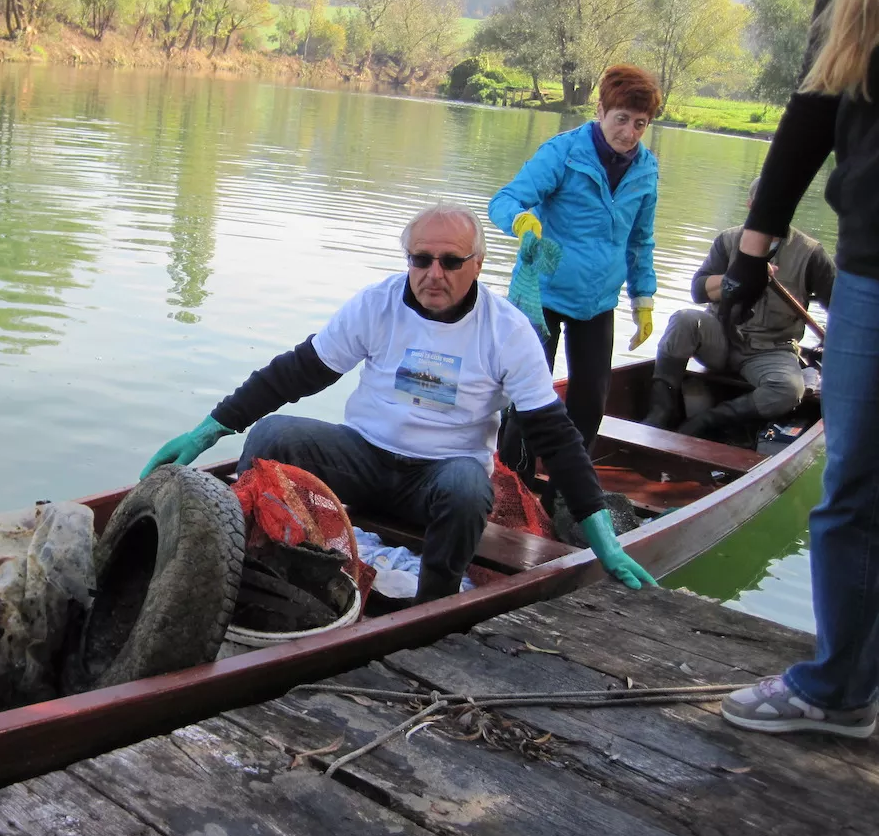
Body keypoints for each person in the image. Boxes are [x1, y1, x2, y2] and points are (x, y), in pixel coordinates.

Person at [140, 202, 655, 602]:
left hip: (438, 479)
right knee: (274, 437)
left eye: (451, 261)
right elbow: (295, 373)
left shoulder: (508, 332)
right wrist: (208, 430)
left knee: (467, 486)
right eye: (422, 259)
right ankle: (256, 565)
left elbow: (556, 438)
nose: (435, 273)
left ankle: (433, 604)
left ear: (477, 265)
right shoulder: (377, 304)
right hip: (363, 458)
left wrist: (603, 540)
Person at [718, 0, 879, 739]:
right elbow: (817, 100)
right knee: (854, 489)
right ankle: (840, 689)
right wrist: (752, 249)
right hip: (876, 264)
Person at [489, 65, 663, 479]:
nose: (629, 133)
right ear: (601, 110)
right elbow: (505, 199)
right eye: (621, 119)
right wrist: (521, 222)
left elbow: (641, 241)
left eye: (640, 124)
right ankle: (513, 485)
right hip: (540, 296)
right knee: (527, 397)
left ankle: (567, 490)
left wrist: (644, 301)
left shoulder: (646, 169)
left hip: (598, 303)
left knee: (590, 402)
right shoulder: (563, 153)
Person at [642, 177, 835, 437]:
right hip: (721, 338)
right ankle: (661, 412)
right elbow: (699, 290)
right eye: (763, 206)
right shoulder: (728, 240)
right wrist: (738, 277)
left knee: (788, 391)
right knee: (684, 319)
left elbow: (841, 306)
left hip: (771, 350)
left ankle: (707, 422)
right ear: (749, 205)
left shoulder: (811, 253)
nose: (772, 213)